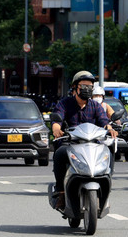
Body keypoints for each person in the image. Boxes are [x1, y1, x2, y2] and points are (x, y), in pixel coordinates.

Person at [50, 71, 117, 210]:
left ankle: (106, 183)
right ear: (75, 87)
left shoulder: (96, 106)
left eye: (90, 86)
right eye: (83, 86)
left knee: (109, 150)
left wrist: (110, 129)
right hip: (70, 143)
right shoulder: (64, 103)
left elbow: (104, 121)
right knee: (59, 153)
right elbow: (57, 119)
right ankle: (61, 191)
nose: (87, 89)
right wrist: (56, 129)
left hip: (93, 143)